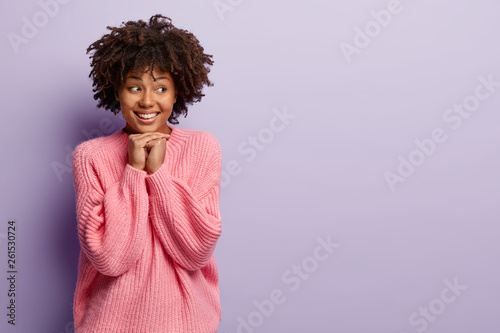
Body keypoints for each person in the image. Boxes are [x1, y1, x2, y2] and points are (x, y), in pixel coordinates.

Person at [71, 14, 222, 333]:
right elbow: (110, 258)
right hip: (109, 323)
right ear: (116, 90)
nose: (148, 100)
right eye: (134, 87)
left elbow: (196, 251)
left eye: (161, 87)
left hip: (187, 322)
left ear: (177, 92)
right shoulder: (91, 157)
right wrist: (134, 170)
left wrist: (158, 174)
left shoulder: (203, 148)